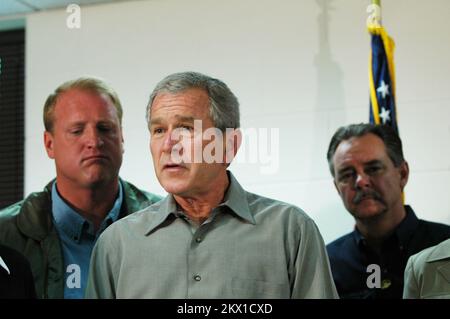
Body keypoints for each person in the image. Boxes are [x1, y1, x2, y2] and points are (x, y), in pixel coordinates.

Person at [85, 71, 338, 299]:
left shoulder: (291, 231)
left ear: (229, 146)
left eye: (185, 128)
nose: (168, 144)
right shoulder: (116, 245)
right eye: (159, 130)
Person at [0, 77, 161, 299]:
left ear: (122, 137)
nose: (94, 141)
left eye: (105, 128)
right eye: (77, 131)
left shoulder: (167, 223)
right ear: (49, 144)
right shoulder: (6, 235)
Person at [326, 123, 450, 299]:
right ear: (337, 188)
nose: (360, 181)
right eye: (347, 174)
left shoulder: (445, 247)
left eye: (373, 168)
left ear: (403, 174)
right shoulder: (326, 264)